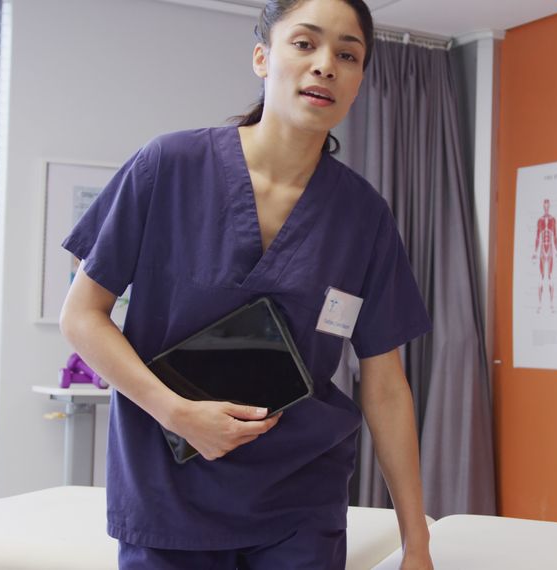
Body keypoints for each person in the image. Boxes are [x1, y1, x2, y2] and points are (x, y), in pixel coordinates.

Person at [58, 1, 434, 568]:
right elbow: (82, 316)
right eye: (305, 44)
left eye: (348, 54)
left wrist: (418, 543)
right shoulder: (169, 166)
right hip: (169, 492)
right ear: (262, 57)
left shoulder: (364, 216)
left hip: (299, 502)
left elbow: (385, 385)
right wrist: (176, 411)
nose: (325, 65)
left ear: (358, 81)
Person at [532, 198, 557, 313]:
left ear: (549, 206)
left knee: (551, 277)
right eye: (545, 205)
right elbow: (538, 237)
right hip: (542, 249)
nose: (546, 207)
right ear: (543, 206)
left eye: (548, 205)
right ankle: (539, 305)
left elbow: (555, 236)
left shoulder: (553, 220)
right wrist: (534, 252)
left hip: (550, 249)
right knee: (541, 277)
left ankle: (552, 305)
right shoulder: (540, 221)